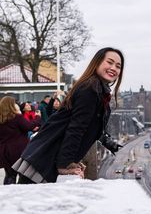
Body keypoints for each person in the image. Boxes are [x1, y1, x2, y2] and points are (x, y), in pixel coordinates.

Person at [13, 47, 124, 184]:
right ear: (97, 63)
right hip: (46, 158)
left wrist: (106, 142)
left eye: (118, 66)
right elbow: (76, 128)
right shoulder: (90, 89)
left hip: (46, 154)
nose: (114, 68)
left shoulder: (97, 89)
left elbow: (90, 125)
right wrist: (65, 163)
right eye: (110, 62)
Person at [0, 96, 41, 184]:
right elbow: (29, 126)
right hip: (18, 150)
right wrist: (37, 117)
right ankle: (20, 194)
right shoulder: (17, 117)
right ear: (11, 105)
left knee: (10, 175)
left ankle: (8, 194)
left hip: (4, 151)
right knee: (23, 174)